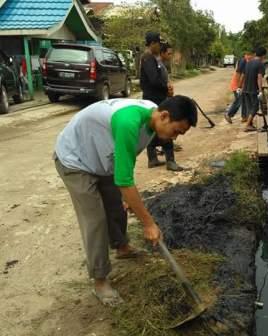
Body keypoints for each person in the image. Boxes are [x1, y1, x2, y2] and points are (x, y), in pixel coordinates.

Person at [54, 96, 197, 306]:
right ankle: (100, 281)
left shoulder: (151, 117)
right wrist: (149, 224)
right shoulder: (128, 122)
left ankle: (122, 248)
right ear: (164, 116)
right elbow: (124, 180)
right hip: (75, 159)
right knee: (95, 220)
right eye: (176, 131)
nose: (174, 138)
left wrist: (126, 195)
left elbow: (125, 167)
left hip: (102, 158)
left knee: (117, 206)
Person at [140, 33, 183, 171]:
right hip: (153, 99)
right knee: (167, 125)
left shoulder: (152, 58)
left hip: (156, 98)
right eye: (158, 43)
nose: (159, 46)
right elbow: (154, 80)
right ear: (152, 43)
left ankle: (153, 159)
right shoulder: (147, 58)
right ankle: (170, 161)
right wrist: (166, 88)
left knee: (153, 128)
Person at [239, 47, 267, 132]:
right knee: (255, 108)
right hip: (253, 90)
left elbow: (243, 75)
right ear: (263, 55)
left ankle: (250, 125)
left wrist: (240, 87)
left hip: (246, 89)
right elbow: (259, 78)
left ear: (255, 54)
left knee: (249, 108)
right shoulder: (260, 64)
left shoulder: (248, 62)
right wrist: (260, 90)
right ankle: (247, 125)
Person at [224, 52, 254, 124]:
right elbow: (238, 74)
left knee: (243, 101)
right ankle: (229, 114)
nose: (251, 57)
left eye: (252, 55)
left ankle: (244, 117)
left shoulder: (247, 62)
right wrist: (239, 87)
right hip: (237, 85)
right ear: (246, 55)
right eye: (250, 55)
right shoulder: (243, 61)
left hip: (241, 85)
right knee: (239, 101)